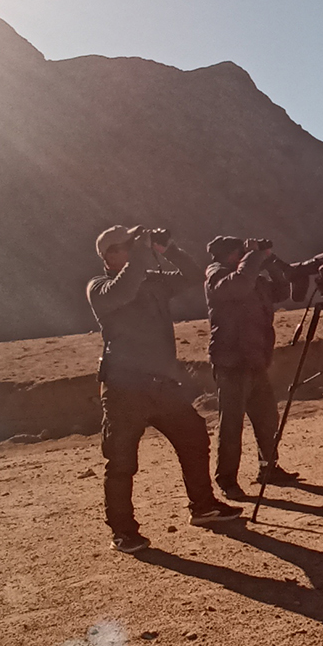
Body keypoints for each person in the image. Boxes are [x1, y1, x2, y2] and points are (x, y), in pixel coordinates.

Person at [87, 225, 240, 554]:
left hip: (161, 383)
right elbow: (123, 291)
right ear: (109, 255)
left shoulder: (150, 281)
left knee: (194, 435)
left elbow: (192, 274)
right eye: (126, 245)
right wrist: (141, 258)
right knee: (122, 460)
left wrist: (167, 249)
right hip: (124, 387)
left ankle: (203, 506)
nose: (133, 248)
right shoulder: (100, 288)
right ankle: (123, 531)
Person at [204, 235, 299, 500]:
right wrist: (255, 257)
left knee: (267, 418)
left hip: (255, 359)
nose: (243, 256)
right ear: (229, 255)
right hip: (231, 362)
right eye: (240, 252)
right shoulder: (217, 275)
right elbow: (237, 287)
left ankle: (268, 467)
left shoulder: (251, 278)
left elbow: (281, 292)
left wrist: (269, 264)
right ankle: (226, 480)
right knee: (232, 425)